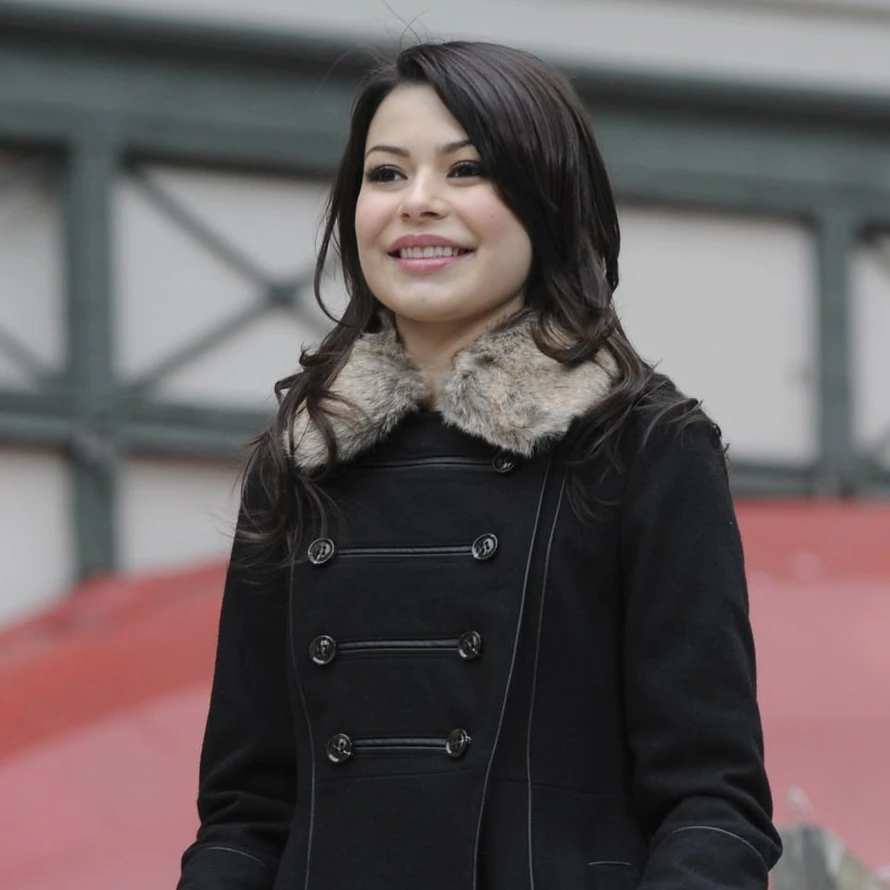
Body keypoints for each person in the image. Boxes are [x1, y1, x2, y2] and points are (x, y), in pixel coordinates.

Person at [176, 40, 782, 890]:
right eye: (386, 174)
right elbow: (246, 814)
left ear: (548, 200)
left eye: (466, 171)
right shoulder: (303, 458)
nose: (417, 202)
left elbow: (712, 806)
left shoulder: (644, 446)